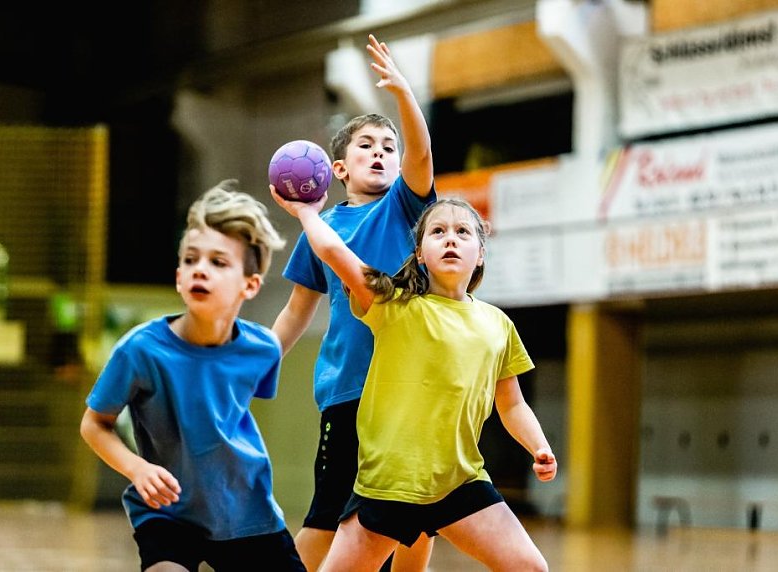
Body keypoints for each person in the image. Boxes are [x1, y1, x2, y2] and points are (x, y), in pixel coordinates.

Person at [271, 192, 557, 572]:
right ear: (420, 253)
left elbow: (512, 404)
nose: (451, 238)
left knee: (532, 568)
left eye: (462, 232)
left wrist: (538, 446)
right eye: (437, 231)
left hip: (459, 482)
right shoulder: (393, 305)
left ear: (481, 253)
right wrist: (307, 213)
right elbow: (335, 253)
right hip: (386, 488)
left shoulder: (498, 325)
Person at [271, 34, 435, 571]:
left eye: (388, 147)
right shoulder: (320, 228)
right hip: (347, 391)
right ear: (337, 169)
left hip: (412, 388)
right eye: (365, 145)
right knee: (327, 518)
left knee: (412, 522)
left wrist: (405, 97)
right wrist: (259, 358)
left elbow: (423, 154)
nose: (381, 153)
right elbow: (298, 309)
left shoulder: (406, 209)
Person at [80, 181, 305, 572]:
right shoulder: (140, 350)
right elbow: (94, 425)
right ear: (179, 276)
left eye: (218, 262)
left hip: (246, 513)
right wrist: (137, 468)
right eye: (191, 259)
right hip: (168, 512)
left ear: (250, 284)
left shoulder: (262, 350)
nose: (200, 269)